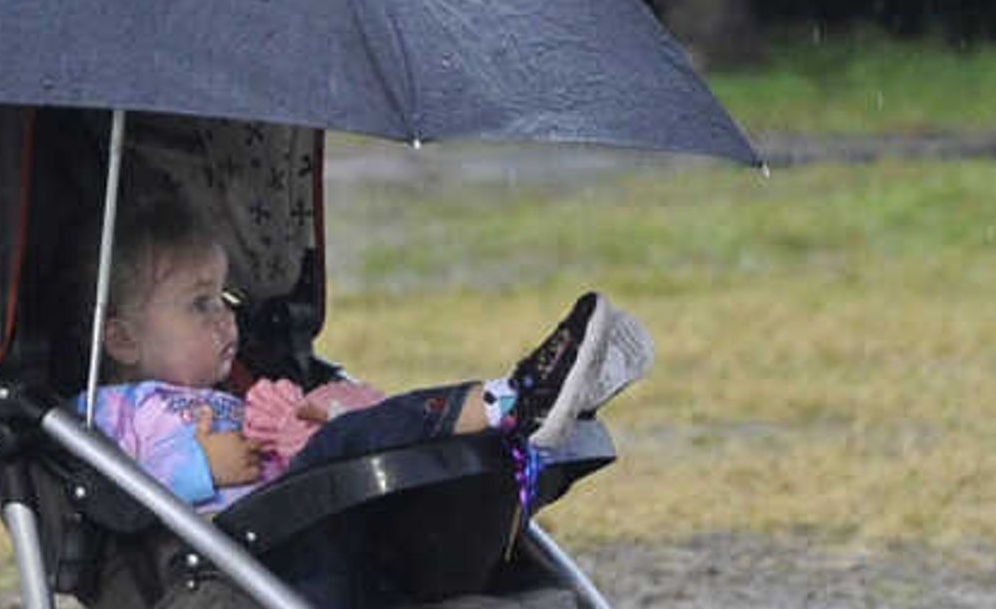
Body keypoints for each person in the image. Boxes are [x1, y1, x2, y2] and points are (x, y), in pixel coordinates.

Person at [78, 180, 652, 510]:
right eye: (198, 304)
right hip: (263, 537)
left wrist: (308, 414)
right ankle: (515, 403)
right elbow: (105, 493)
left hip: (311, 503)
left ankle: (531, 420)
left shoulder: (239, 390)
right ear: (123, 338)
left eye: (224, 299)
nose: (226, 320)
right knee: (360, 437)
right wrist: (200, 468)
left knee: (365, 418)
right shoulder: (107, 408)